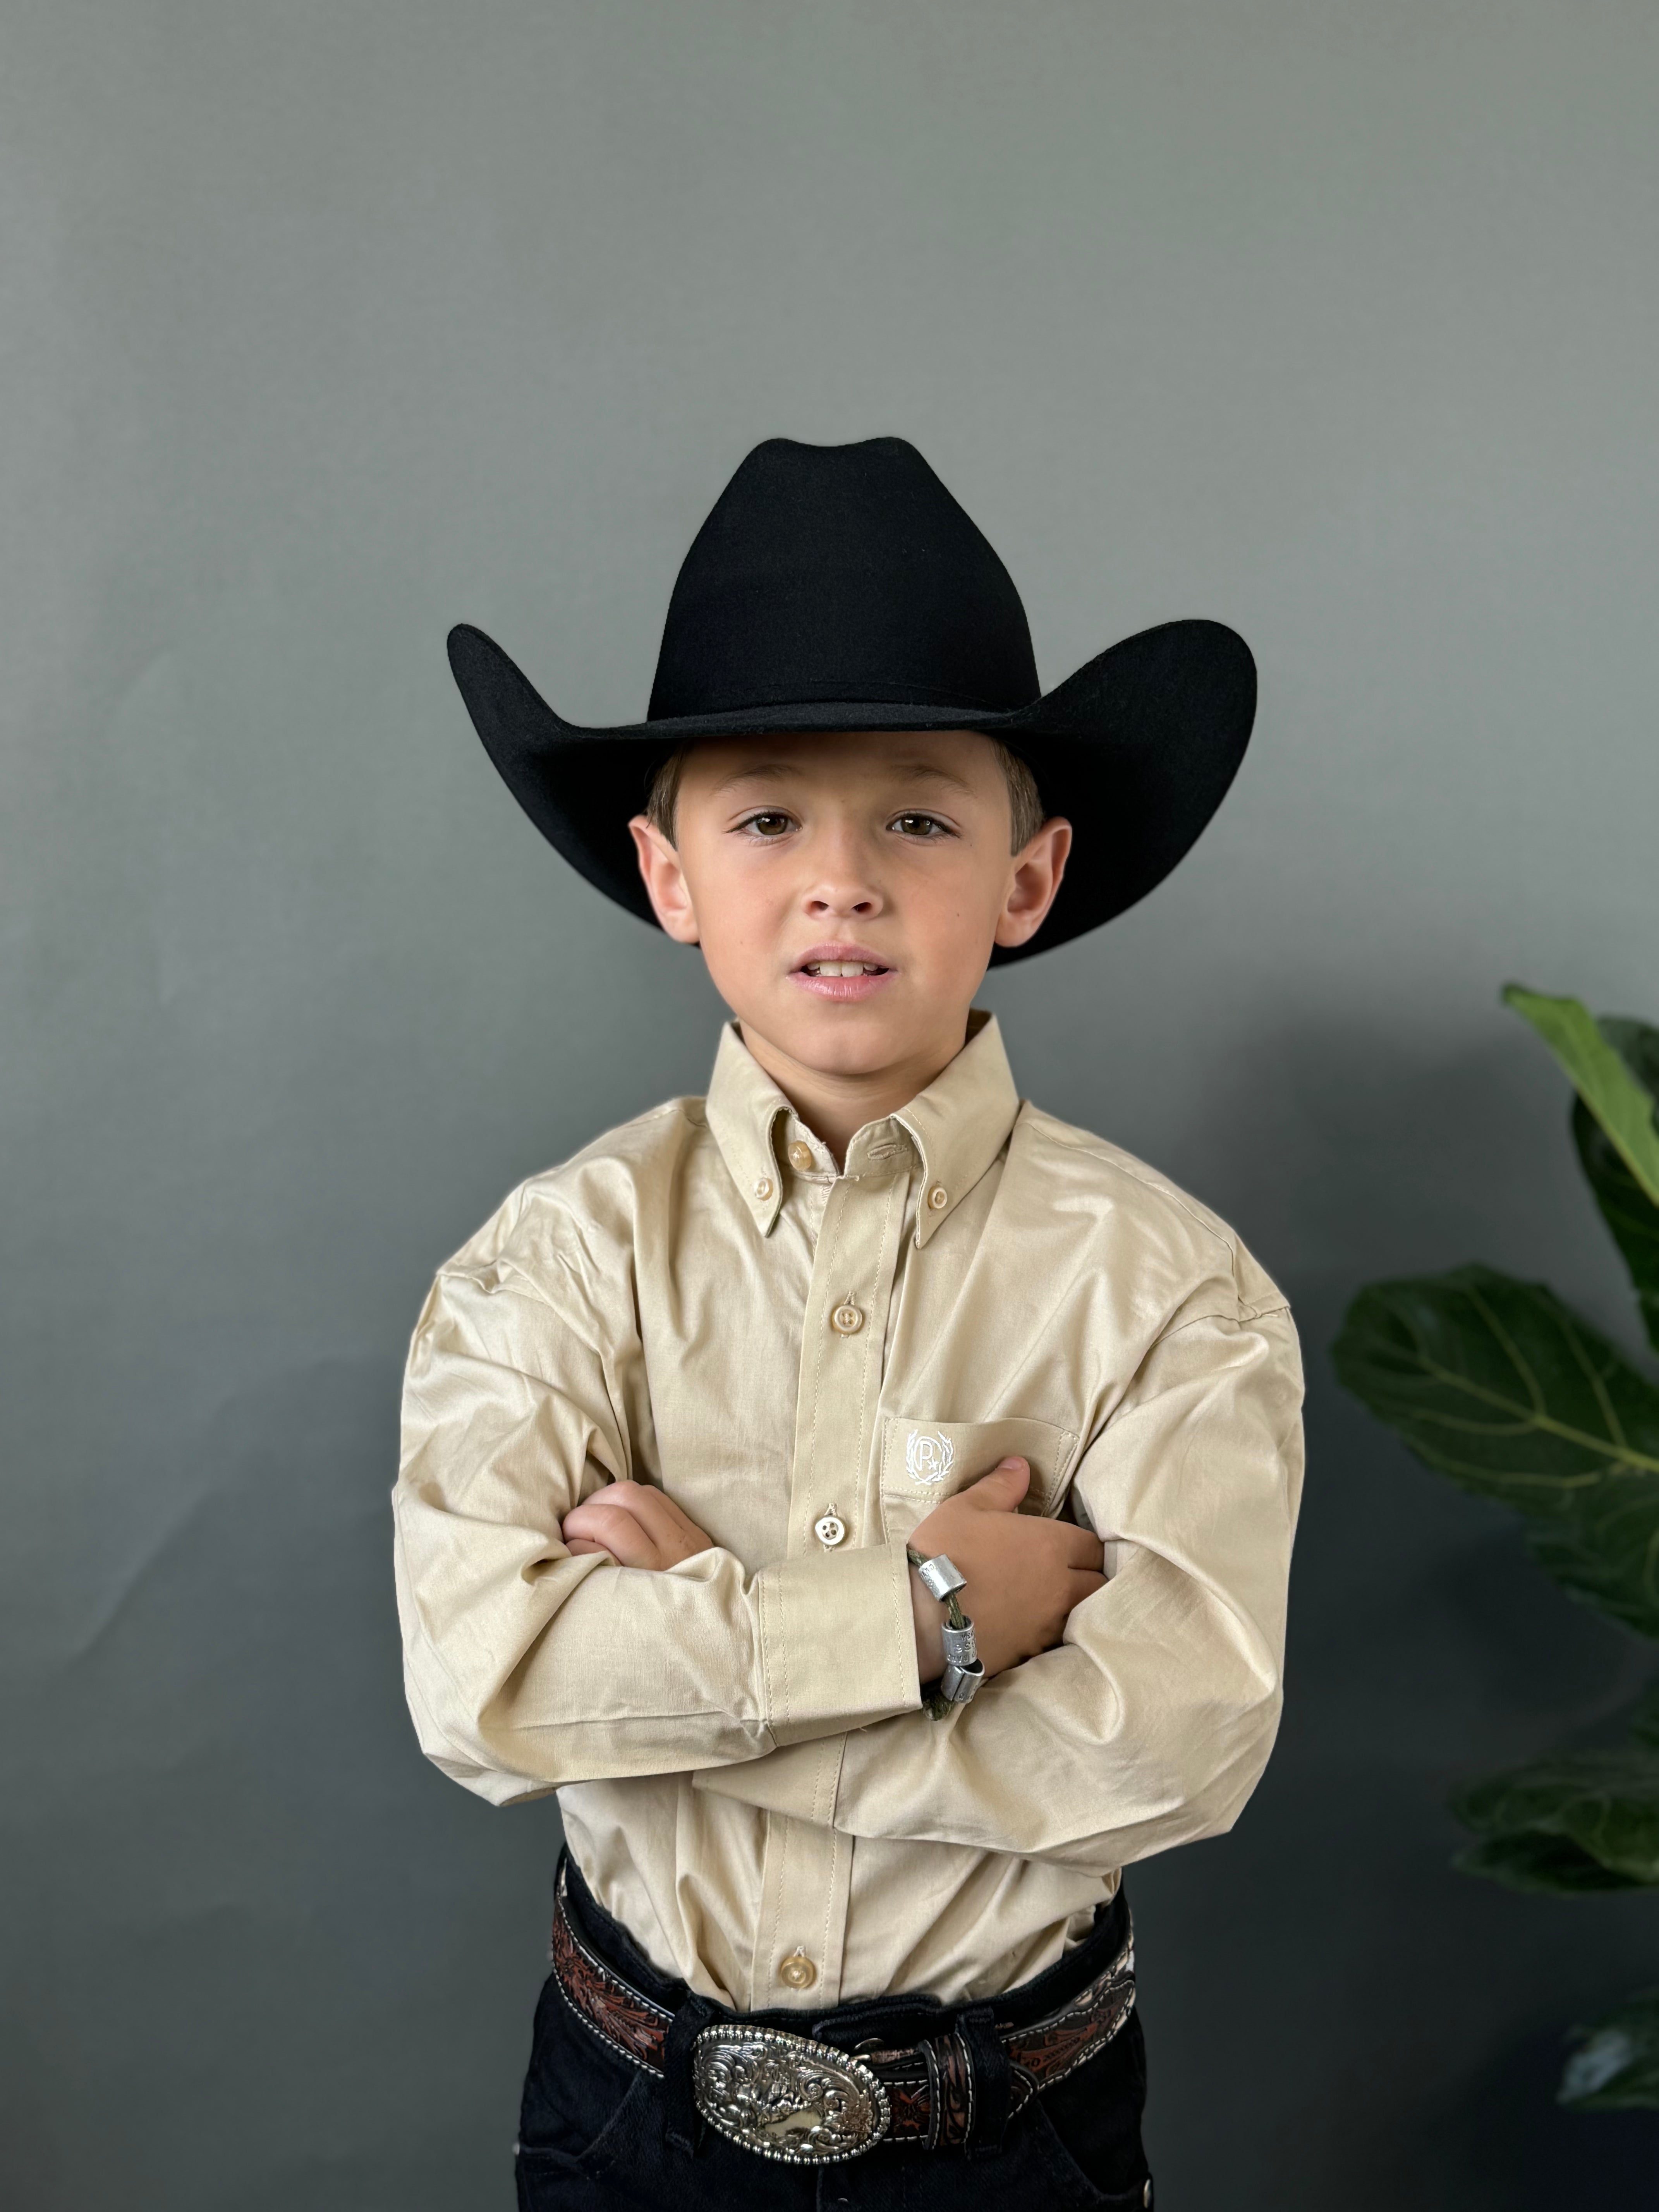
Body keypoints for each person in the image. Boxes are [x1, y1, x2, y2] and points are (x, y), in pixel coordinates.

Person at [394, 437, 1304, 2210]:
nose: (843, 878)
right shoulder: (553, 1263)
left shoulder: (1173, 1292)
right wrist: (931, 1616)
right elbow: (483, 1691)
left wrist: (689, 1661)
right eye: (764, 817)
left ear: (1024, 883)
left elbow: (1170, 1747)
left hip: (1009, 2133)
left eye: (916, 815)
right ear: (670, 879)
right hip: (628, 2114)